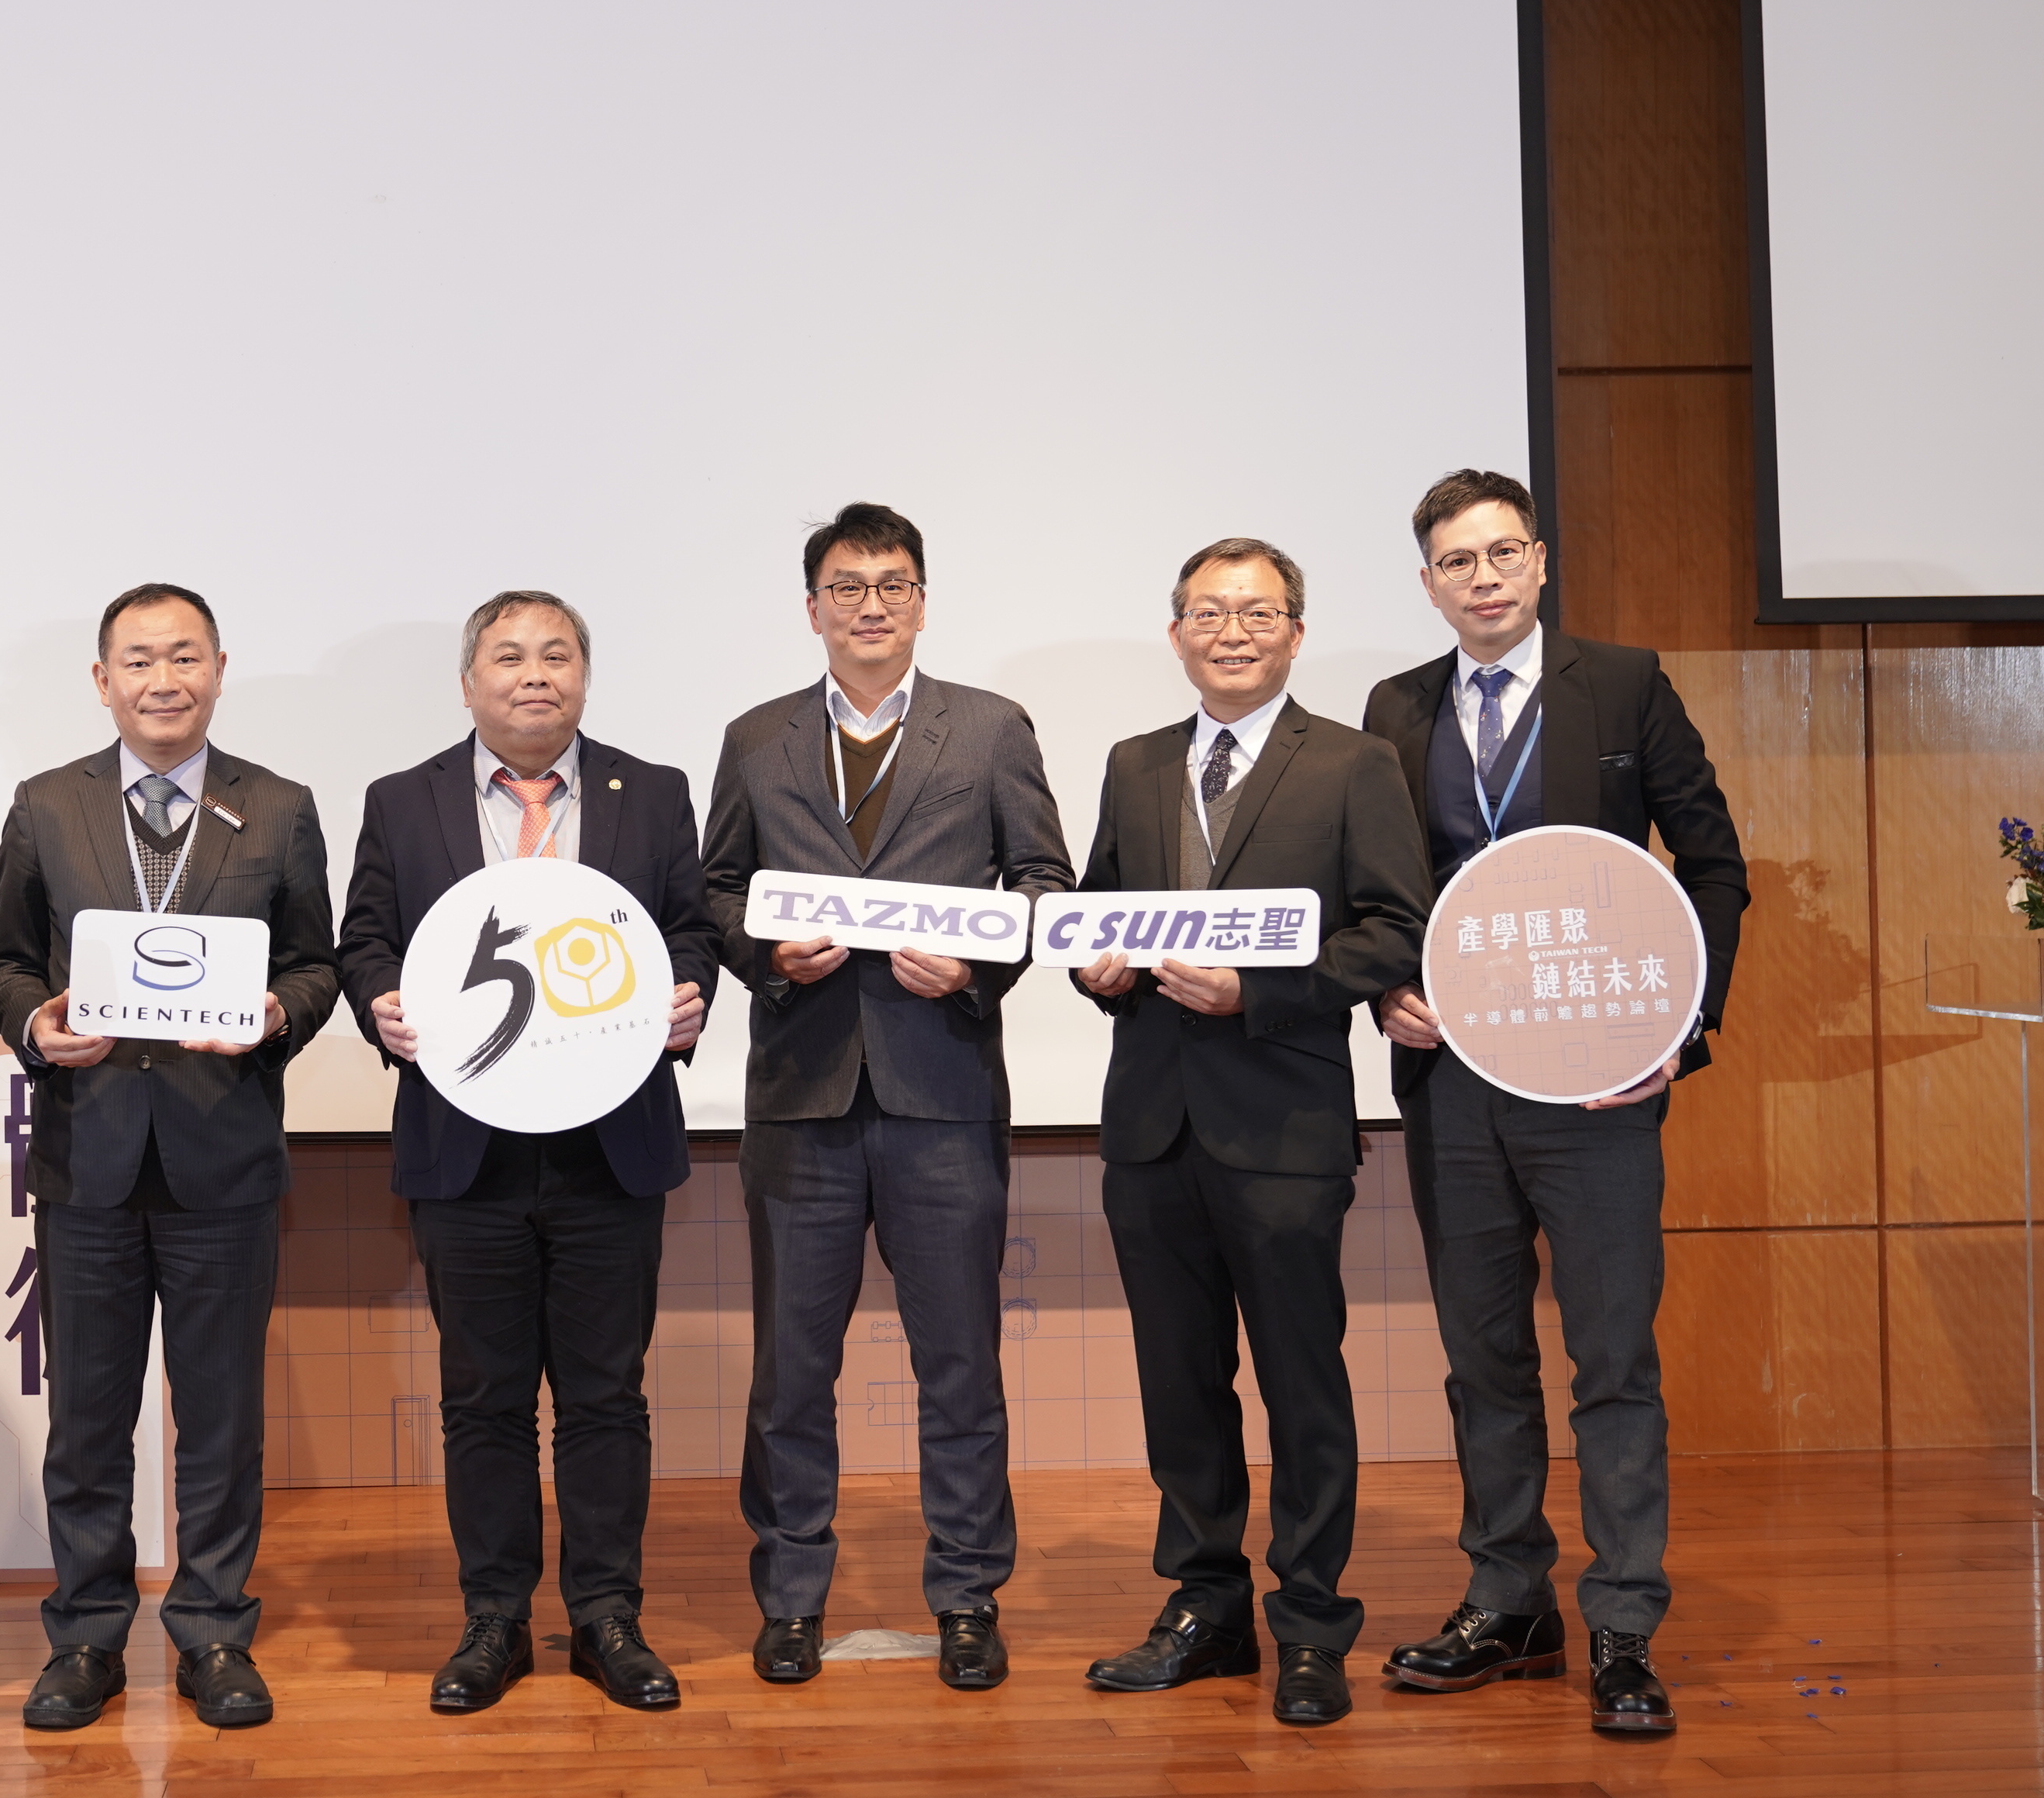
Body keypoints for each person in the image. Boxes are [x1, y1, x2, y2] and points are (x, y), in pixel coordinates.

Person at [1361, 468, 1748, 1737]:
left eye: (1500, 554)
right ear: (1429, 583)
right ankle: (1509, 1599)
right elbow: (1382, 893)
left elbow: (1713, 863)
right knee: (1483, 1358)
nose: (1481, 577)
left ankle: (1625, 1625)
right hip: (1454, 1082)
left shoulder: (1622, 681)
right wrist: (1384, 998)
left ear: (1539, 564)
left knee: (1614, 1361)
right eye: (1454, 561)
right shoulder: (1396, 704)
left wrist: (1681, 1036)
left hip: (1598, 1089)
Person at [699, 502, 1073, 1693]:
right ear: (812, 607)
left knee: (957, 1362)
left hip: (943, 1090)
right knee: (790, 1372)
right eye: (848, 586)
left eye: (893, 584)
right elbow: (714, 888)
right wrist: (765, 954)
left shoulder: (993, 729)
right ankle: (793, 1595)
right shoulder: (756, 737)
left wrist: (978, 962)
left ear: (922, 601)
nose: (871, 604)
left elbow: (1042, 880)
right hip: (802, 1094)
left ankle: (967, 1594)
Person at [337, 590, 721, 1716]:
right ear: (470, 683)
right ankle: (495, 1620)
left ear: (585, 679)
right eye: (508, 657)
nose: (534, 675)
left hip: (611, 1144)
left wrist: (688, 994)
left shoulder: (650, 793)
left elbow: (685, 927)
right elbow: (366, 937)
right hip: (468, 1152)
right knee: (485, 1400)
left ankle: (608, 1617)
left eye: (557, 655)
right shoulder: (401, 801)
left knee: (607, 1396)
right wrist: (379, 1004)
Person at [1069, 537, 1429, 1727]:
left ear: (1297, 632)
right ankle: (1204, 1609)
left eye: (1258, 611)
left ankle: (1314, 1624)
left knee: (1302, 1385)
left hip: (1284, 1127)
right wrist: (1098, 966)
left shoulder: (1355, 763)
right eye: (1208, 611)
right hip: (1151, 1131)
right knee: (1180, 1386)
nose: (1232, 630)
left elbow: (1395, 929)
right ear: (1175, 632)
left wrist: (1259, 994)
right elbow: (1097, 908)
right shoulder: (1132, 763)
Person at [0, 583, 340, 1732]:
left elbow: (318, 964)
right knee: (89, 1419)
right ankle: (86, 1636)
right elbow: (6, 962)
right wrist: (36, 1023)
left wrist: (277, 1015)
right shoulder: (46, 805)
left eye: (184, 657)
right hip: (87, 1156)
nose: (163, 679)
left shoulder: (277, 808)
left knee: (221, 1416)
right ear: (103, 681)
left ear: (220, 669)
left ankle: (215, 1632)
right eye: (139, 661)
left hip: (222, 1155)